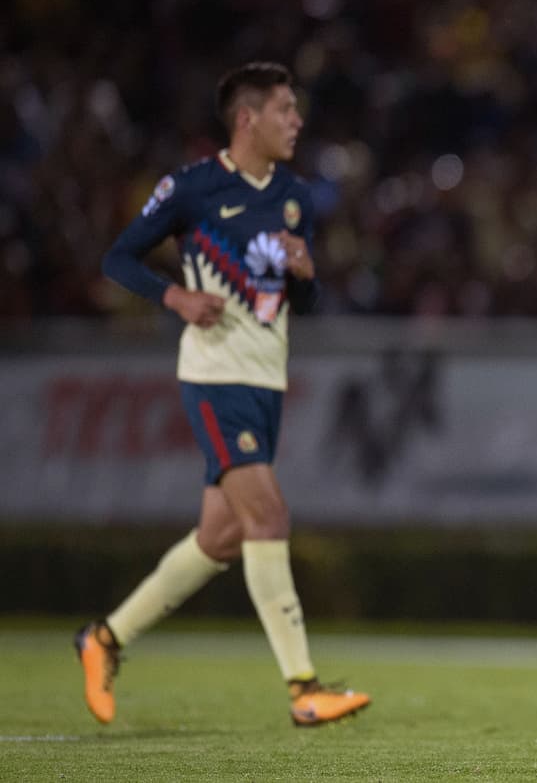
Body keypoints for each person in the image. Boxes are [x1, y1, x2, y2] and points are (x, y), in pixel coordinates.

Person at [77, 62, 370, 727]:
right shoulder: (193, 187)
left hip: (267, 380)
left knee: (220, 536)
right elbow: (118, 257)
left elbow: (304, 300)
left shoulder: (294, 197)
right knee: (268, 516)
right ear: (248, 118)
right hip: (214, 378)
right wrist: (173, 295)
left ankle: (103, 639)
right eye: (286, 110)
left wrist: (304, 276)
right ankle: (304, 688)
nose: (297, 121)